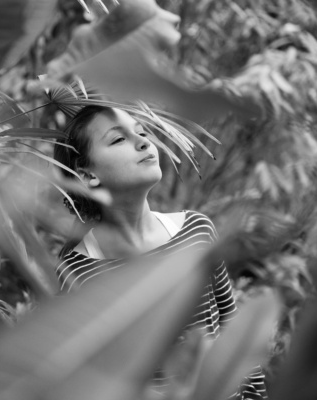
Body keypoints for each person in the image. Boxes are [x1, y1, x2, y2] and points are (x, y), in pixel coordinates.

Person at [52, 105, 268, 399]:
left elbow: (233, 335)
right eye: (118, 140)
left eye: (141, 132)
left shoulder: (197, 231)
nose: (143, 142)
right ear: (87, 174)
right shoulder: (77, 271)